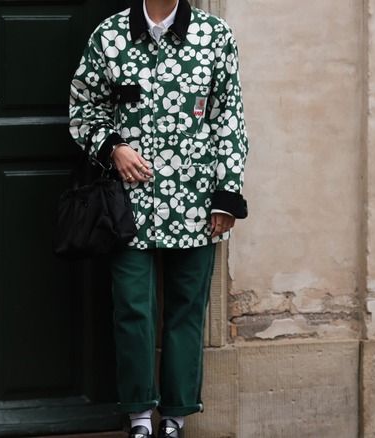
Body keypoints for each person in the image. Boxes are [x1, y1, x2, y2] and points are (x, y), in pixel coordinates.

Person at [69, 0, 248, 436]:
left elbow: (229, 118)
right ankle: (138, 416)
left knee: (187, 310)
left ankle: (175, 416)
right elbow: (83, 107)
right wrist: (113, 147)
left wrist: (226, 196)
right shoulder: (109, 36)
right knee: (132, 308)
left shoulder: (213, 35)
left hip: (197, 203)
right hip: (127, 208)